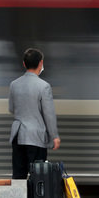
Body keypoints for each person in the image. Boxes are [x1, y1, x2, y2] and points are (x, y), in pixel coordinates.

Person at [8, 48, 61, 179]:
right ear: (41, 63)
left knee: (18, 176)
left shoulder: (14, 84)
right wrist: (54, 136)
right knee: (38, 177)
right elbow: (48, 114)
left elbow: (11, 108)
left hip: (18, 136)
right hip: (36, 137)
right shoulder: (44, 86)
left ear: (24, 64)